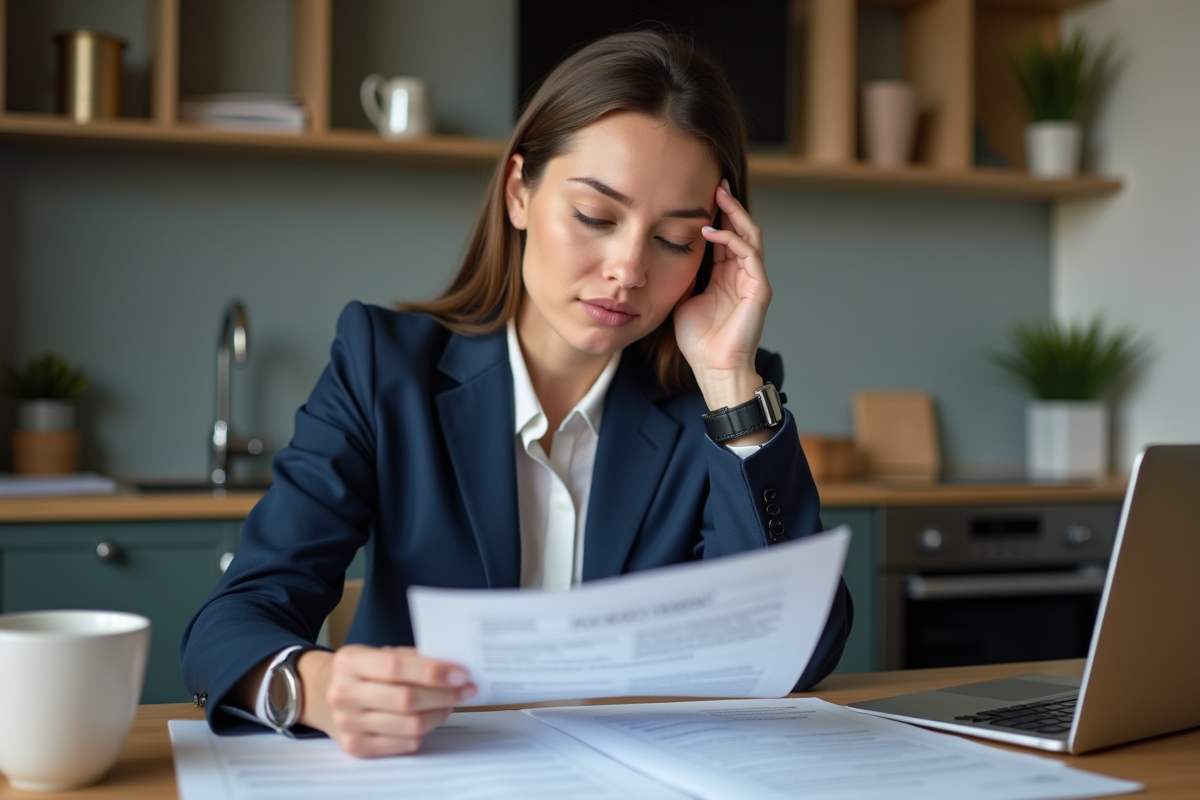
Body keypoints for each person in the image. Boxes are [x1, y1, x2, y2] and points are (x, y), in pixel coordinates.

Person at [180, 29, 852, 759]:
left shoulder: (722, 401)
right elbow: (233, 620)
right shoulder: (384, 367)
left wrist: (728, 380)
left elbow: (800, 654)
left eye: (674, 240)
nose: (628, 269)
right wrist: (312, 687)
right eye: (596, 217)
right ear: (519, 192)